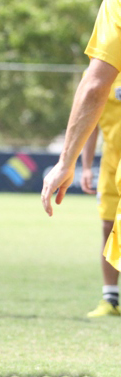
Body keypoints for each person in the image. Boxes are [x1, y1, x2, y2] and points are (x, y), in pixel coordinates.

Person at [43, 0, 121, 292]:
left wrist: (66, 161)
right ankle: (109, 296)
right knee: (106, 222)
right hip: (111, 161)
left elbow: (93, 88)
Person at [79, 75, 121, 317]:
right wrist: (85, 166)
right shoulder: (98, 74)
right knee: (108, 227)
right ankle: (110, 299)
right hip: (110, 167)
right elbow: (90, 122)